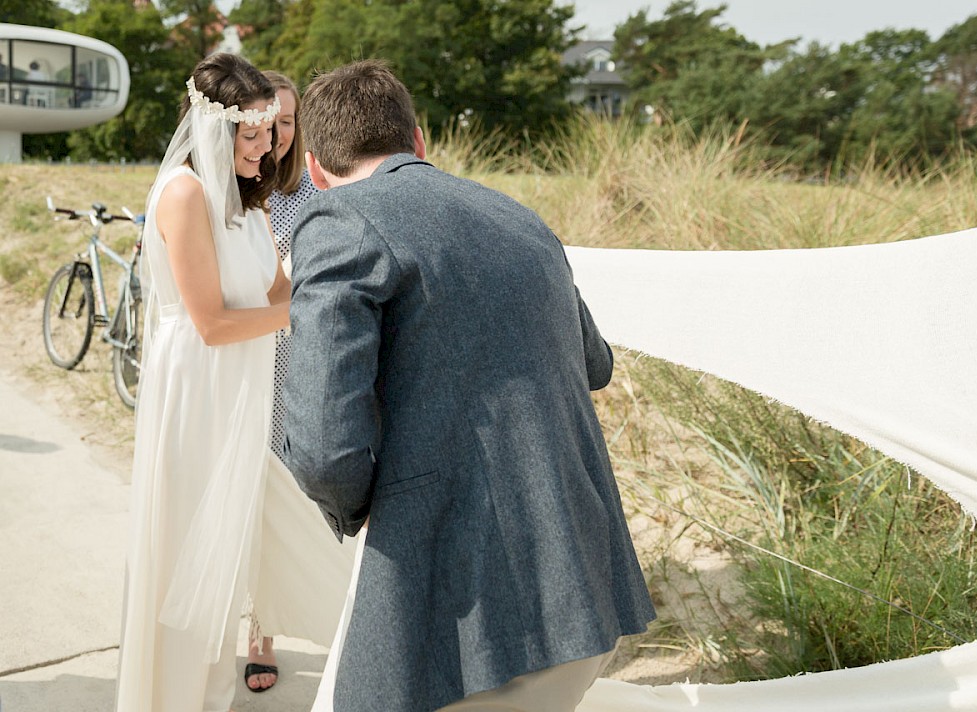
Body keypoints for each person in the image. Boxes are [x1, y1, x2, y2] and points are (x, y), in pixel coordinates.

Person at [284, 59, 656, 712]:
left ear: (314, 169)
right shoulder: (519, 216)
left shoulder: (336, 220)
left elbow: (322, 447)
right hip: (585, 589)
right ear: (419, 141)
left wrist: (359, 510)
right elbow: (595, 364)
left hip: (465, 609)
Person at [115, 52, 353, 712]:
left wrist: (328, 268)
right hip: (198, 391)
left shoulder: (249, 200)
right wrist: (300, 312)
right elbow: (215, 323)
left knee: (237, 545)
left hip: (244, 391)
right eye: (251, 132)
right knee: (192, 545)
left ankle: (213, 691)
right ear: (215, 129)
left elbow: (276, 288)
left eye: (271, 129)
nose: (267, 144)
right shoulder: (185, 194)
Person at [237, 69, 322, 695]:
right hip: (244, 359)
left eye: (289, 122)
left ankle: (279, 620)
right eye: (271, 122)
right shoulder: (238, 192)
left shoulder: (313, 197)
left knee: (293, 493)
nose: (280, 134)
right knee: (248, 495)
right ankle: (255, 634)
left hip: (297, 360)